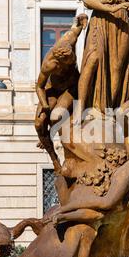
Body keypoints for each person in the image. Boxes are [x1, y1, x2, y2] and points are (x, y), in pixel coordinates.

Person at [35, 14, 88, 171]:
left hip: (71, 88)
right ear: (58, 63)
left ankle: (49, 135)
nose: (69, 67)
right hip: (52, 88)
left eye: (71, 62)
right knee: (39, 123)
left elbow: (76, 26)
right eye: (66, 65)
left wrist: (82, 20)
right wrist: (44, 104)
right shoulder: (49, 65)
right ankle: (54, 160)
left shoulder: (69, 41)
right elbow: (39, 87)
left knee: (56, 116)